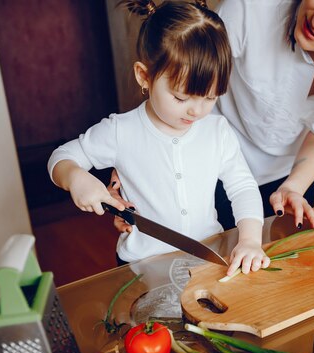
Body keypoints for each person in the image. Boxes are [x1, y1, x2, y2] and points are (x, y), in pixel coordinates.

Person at [106, 0, 314, 232]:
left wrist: (293, 188)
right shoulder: (254, 9)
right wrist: (140, 159)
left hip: (285, 183)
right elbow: (179, 91)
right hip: (202, 167)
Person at [48, 0, 270, 276]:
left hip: (207, 258)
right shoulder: (121, 131)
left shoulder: (218, 131)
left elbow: (242, 187)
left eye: (210, 98)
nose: (195, 110)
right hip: (142, 266)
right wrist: (75, 177)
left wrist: (249, 240)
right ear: (145, 76)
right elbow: (61, 157)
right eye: (180, 97)